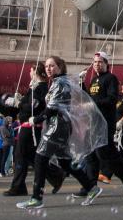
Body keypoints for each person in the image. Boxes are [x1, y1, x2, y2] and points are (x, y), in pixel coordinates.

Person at [17, 56, 104, 210]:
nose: (48, 68)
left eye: (52, 66)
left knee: (40, 158)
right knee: (65, 161)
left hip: (57, 127)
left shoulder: (60, 83)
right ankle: (92, 187)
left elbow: (52, 109)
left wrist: (35, 119)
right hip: (59, 126)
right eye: (47, 66)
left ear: (60, 67)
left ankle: (37, 198)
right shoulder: (58, 82)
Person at [3, 61, 62, 197]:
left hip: (31, 126)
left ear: (35, 72)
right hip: (26, 125)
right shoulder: (34, 87)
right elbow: (28, 103)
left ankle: (18, 186)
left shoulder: (41, 88)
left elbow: (33, 106)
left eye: (31, 71)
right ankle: (55, 175)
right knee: (31, 157)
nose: (29, 73)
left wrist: (18, 103)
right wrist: (20, 100)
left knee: (20, 155)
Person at [82, 51, 123, 196]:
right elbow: (88, 98)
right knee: (90, 155)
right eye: (95, 62)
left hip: (105, 123)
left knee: (105, 154)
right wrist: (81, 84)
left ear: (106, 64)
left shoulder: (111, 78)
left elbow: (112, 99)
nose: (97, 64)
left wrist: (93, 103)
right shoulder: (93, 80)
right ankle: (90, 186)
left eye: (100, 62)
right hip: (93, 122)